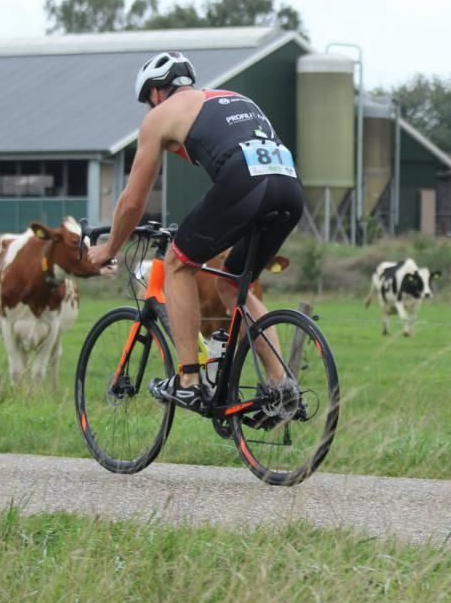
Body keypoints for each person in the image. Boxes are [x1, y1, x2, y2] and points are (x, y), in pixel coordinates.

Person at [85, 51, 304, 412]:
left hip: (246, 183)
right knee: (233, 286)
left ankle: (188, 381)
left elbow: (132, 202)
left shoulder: (160, 116)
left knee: (177, 264)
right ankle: (282, 386)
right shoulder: (232, 98)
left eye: (148, 101)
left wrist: (109, 249)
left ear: (156, 93)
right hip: (290, 188)